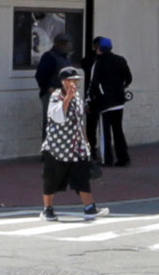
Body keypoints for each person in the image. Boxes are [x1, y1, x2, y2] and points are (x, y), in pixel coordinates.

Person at [39, 66, 100, 222]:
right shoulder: (55, 96)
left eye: (76, 80)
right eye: (70, 80)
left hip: (75, 146)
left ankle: (90, 207)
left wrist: (86, 141)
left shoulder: (78, 97)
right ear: (63, 82)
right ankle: (48, 209)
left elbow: (80, 121)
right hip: (56, 148)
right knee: (51, 178)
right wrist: (67, 99)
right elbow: (58, 116)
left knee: (82, 177)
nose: (74, 83)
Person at [87, 36, 133, 167]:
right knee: (118, 130)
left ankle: (106, 159)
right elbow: (128, 78)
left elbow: (93, 83)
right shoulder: (120, 60)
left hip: (104, 102)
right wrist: (120, 89)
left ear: (99, 48)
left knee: (105, 132)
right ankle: (123, 158)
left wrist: (89, 100)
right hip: (119, 101)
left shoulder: (99, 63)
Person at [34, 34, 73, 116]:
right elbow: (41, 76)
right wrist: (49, 88)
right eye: (64, 44)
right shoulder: (49, 57)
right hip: (52, 94)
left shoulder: (66, 58)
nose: (66, 46)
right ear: (59, 45)